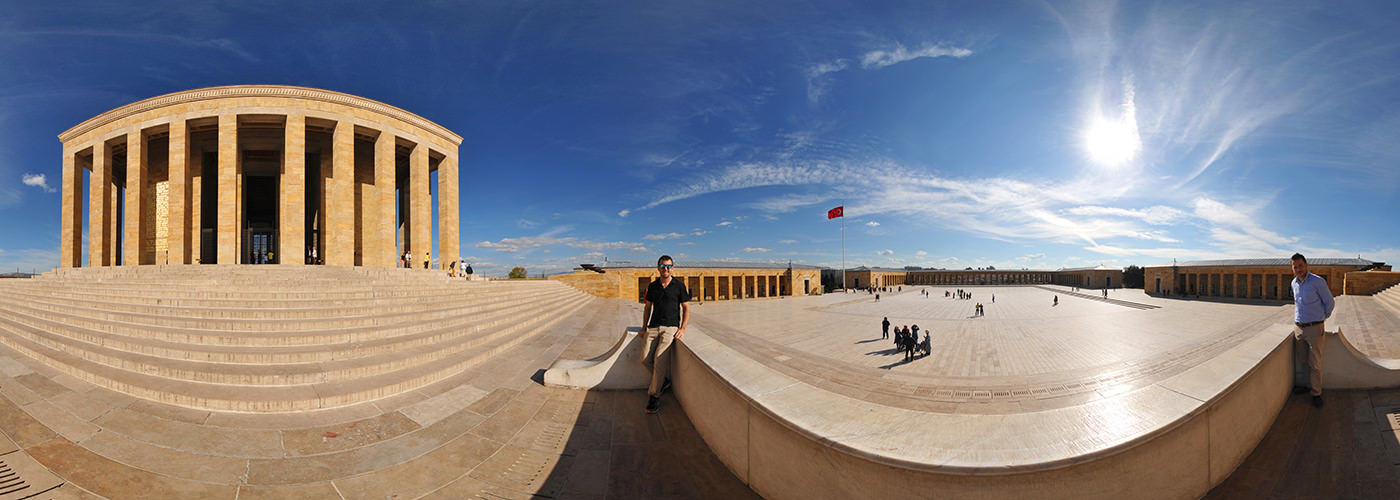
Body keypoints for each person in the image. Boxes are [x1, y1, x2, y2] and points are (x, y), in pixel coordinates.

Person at [641, 255, 690, 414]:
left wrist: (682, 328)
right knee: (644, 359)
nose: (666, 269)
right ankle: (663, 381)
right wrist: (644, 327)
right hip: (653, 326)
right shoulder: (653, 286)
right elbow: (647, 308)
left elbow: (686, 308)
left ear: (673, 268)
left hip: (670, 328)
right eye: (663, 266)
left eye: (669, 266)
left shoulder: (679, 286)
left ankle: (654, 396)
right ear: (658, 268)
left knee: (659, 360)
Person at [1291, 253, 1335, 408]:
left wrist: (1320, 319)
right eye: (1295, 267)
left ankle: (1316, 393)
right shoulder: (1294, 283)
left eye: (1300, 266)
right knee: (1303, 361)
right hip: (1299, 328)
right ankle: (1308, 386)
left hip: (1314, 329)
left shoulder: (1318, 281)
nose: (1298, 269)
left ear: (1306, 265)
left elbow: (1329, 303)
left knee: (1315, 363)